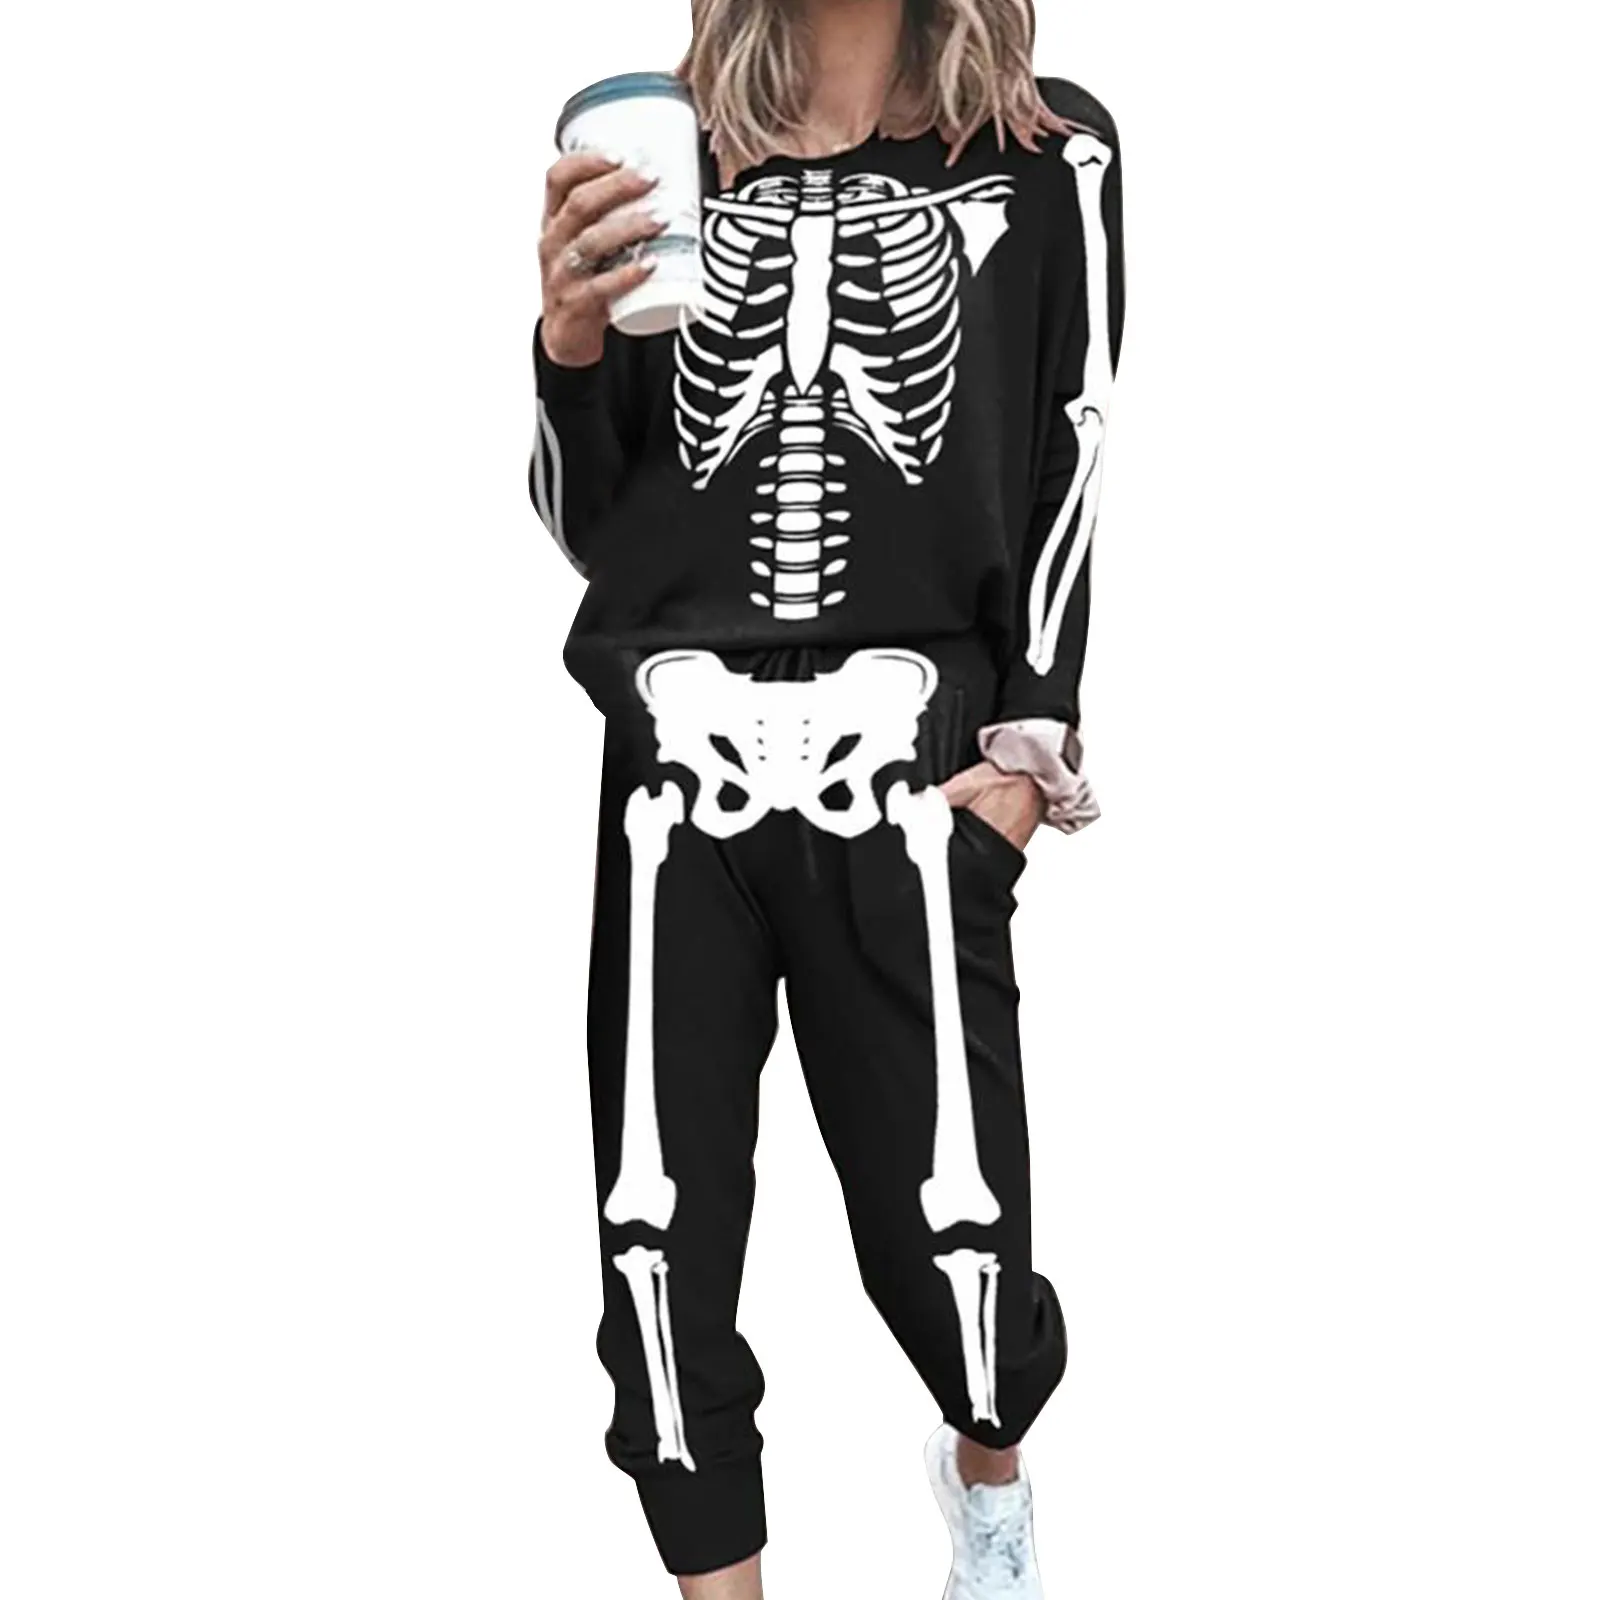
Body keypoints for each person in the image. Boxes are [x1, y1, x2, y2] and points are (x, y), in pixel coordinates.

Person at [530, 1, 1124, 1593]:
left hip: (908, 763)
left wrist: (1029, 755)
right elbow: (592, 527)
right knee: (657, 1265)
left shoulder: (1049, 155)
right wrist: (569, 346)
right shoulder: (659, 148)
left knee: (963, 1282)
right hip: (679, 761)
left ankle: (987, 1477)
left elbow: (1070, 452)